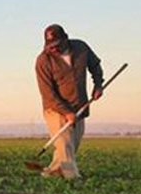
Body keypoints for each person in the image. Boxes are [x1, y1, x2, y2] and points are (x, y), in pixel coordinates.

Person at [35, 24, 103, 179]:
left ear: (65, 38)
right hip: (55, 109)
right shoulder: (43, 61)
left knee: (71, 146)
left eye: (56, 45)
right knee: (65, 144)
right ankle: (72, 178)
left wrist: (98, 85)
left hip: (79, 105)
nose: (53, 49)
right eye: (50, 46)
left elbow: (95, 66)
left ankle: (53, 172)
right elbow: (47, 93)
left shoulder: (81, 48)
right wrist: (66, 112)